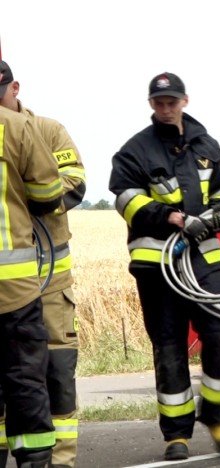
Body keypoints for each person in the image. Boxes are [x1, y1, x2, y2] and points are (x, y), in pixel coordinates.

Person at [108, 72, 220, 461]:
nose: (166, 108)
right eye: (159, 102)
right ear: (151, 104)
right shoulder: (134, 151)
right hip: (157, 265)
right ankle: (176, 434)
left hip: (204, 261)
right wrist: (170, 217)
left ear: (185, 100)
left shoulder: (206, 145)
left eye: (172, 101)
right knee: (169, 348)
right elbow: (126, 200)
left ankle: (216, 415)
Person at [0, 59, 87, 468]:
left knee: (55, 368)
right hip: (14, 279)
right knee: (15, 374)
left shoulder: (48, 130)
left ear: (15, 88)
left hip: (49, 278)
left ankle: (61, 458)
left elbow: (74, 182)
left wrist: (28, 194)